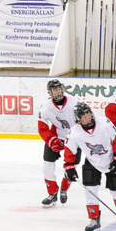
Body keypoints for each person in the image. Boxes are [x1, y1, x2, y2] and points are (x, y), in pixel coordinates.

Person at [63, 103, 116, 231]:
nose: (87, 118)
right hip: (92, 162)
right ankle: (94, 220)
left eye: (88, 115)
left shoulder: (104, 123)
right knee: (90, 191)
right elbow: (69, 150)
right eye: (83, 117)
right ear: (78, 119)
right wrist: (69, 166)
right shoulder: (74, 132)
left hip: (111, 159)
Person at [37, 79, 81, 207]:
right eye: (54, 90)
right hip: (57, 137)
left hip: (74, 138)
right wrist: (51, 140)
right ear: (50, 93)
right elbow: (43, 128)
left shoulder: (74, 102)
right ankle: (52, 193)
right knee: (47, 165)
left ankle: (64, 189)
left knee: (71, 167)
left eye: (58, 88)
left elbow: (83, 120)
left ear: (62, 89)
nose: (57, 91)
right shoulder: (46, 108)